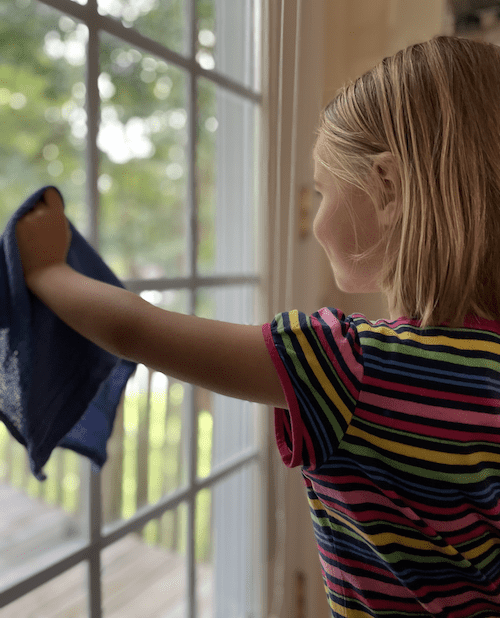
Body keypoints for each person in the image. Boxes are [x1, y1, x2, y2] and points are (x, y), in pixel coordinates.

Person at [15, 34, 500, 617]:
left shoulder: (356, 369)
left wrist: (44, 269)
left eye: (322, 191)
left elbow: (139, 332)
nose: (315, 218)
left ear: (389, 188)